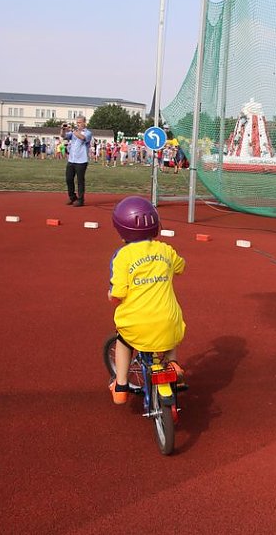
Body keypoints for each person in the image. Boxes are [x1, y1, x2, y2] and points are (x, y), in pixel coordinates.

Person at [106, 196, 186, 404]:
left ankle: (121, 384)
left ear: (121, 229)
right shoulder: (165, 250)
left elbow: (118, 292)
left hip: (137, 324)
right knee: (168, 327)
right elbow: (181, 266)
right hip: (168, 321)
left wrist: (112, 296)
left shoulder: (122, 256)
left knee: (123, 341)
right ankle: (172, 363)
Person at [60, 116, 92, 206]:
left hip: (81, 160)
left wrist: (73, 130)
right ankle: (73, 197)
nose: (78, 124)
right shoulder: (73, 132)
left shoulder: (88, 133)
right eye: (77, 122)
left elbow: (82, 138)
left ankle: (81, 200)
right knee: (69, 179)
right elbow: (63, 136)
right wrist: (63, 129)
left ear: (84, 123)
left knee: (80, 181)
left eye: (80, 122)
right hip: (72, 160)